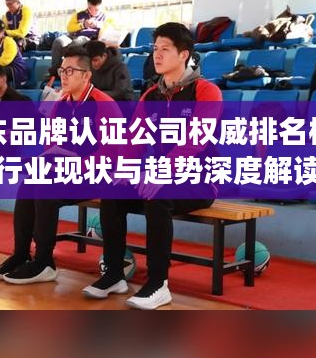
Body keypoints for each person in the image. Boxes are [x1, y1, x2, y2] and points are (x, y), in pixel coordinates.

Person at [82, 22, 222, 310]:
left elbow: (195, 141)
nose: (157, 55)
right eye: (155, 48)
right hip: (160, 176)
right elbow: (133, 141)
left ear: (184, 54)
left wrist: (161, 173)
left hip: (199, 180)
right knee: (112, 190)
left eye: (165, 49)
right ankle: (114, 274)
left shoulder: (206, 91)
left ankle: (158, 284)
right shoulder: (151, 96)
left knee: (157, 197)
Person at [0, 46, 119, 284]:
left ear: (86, 75)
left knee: (45, 184)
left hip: (98, 175)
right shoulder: (61, 104)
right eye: (62, 70)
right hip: (68, 173)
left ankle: (44, 261)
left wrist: (75, 162)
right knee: (29, 182)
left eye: (70, 70)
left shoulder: (104, 104)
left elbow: (111, 155)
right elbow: (51, 145)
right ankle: (21, 254)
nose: (64, 75)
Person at [51, 0, 112, 71]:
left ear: (101, 6)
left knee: (78, 41)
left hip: (88, 38)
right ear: (88, 4)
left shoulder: (105, 16)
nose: (93, 12)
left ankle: (65, 66)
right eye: (90, 8)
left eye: (96, 10)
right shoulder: (79, 14)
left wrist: (97, 24)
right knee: (58, 42)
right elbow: (69, 28)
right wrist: (83, 25)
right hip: (73, 35)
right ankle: (54, 71)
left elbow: (110, 28)